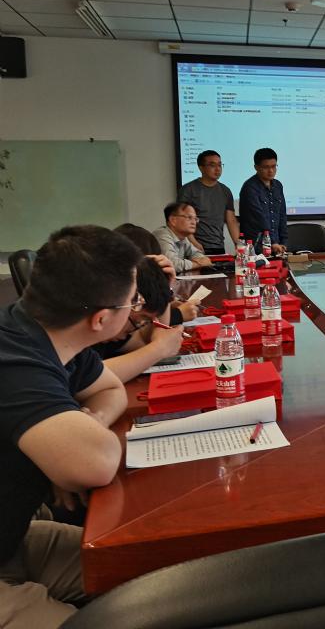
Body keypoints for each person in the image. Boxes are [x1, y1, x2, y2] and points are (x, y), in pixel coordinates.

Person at [0, 225, 134, 627]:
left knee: (166, 570)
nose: (136, 309)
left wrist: (82, 427)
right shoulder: (14, 360)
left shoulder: (45, 332)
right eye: (133, 301)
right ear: (101, 319)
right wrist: (71, 451)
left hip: (14, 539)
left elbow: (111, 390)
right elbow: (96, 463)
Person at [92, 258, 184, 385]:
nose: (134, 329)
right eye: (140, 320)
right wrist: (159, 349)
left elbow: (146, 341)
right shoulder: (80, 330)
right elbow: (87, 381)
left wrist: (165, 290)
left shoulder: (111, 334)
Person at [177, 150, 240, 255]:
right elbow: (182, 220)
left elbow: (231, 220)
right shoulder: (188, 190)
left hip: (218, 246)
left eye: (220, 165)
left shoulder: (225, 191)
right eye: (212, 165)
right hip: (194, 247)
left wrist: (238, 244)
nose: (217, 169)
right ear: (201, 168)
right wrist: (193, 243)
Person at [238, 148, 287, 256]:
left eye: (274, 166)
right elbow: (259, 218)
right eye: (266, 167)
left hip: (276, 246)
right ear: (256, 167)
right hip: (256, 246)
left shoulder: (278, 186)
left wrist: (283, 242)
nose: (271, 171)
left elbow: (282, 215)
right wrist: (272, 242)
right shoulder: (250, 188)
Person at [153, 202, 212, 274]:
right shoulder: (162, 235)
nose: (194, 222)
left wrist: (201, 260)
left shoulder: (183, 238)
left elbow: (198, 254)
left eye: (195, 219)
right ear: (173, 220)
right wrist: (198, 264)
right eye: (189, 217)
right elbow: (172, 264)